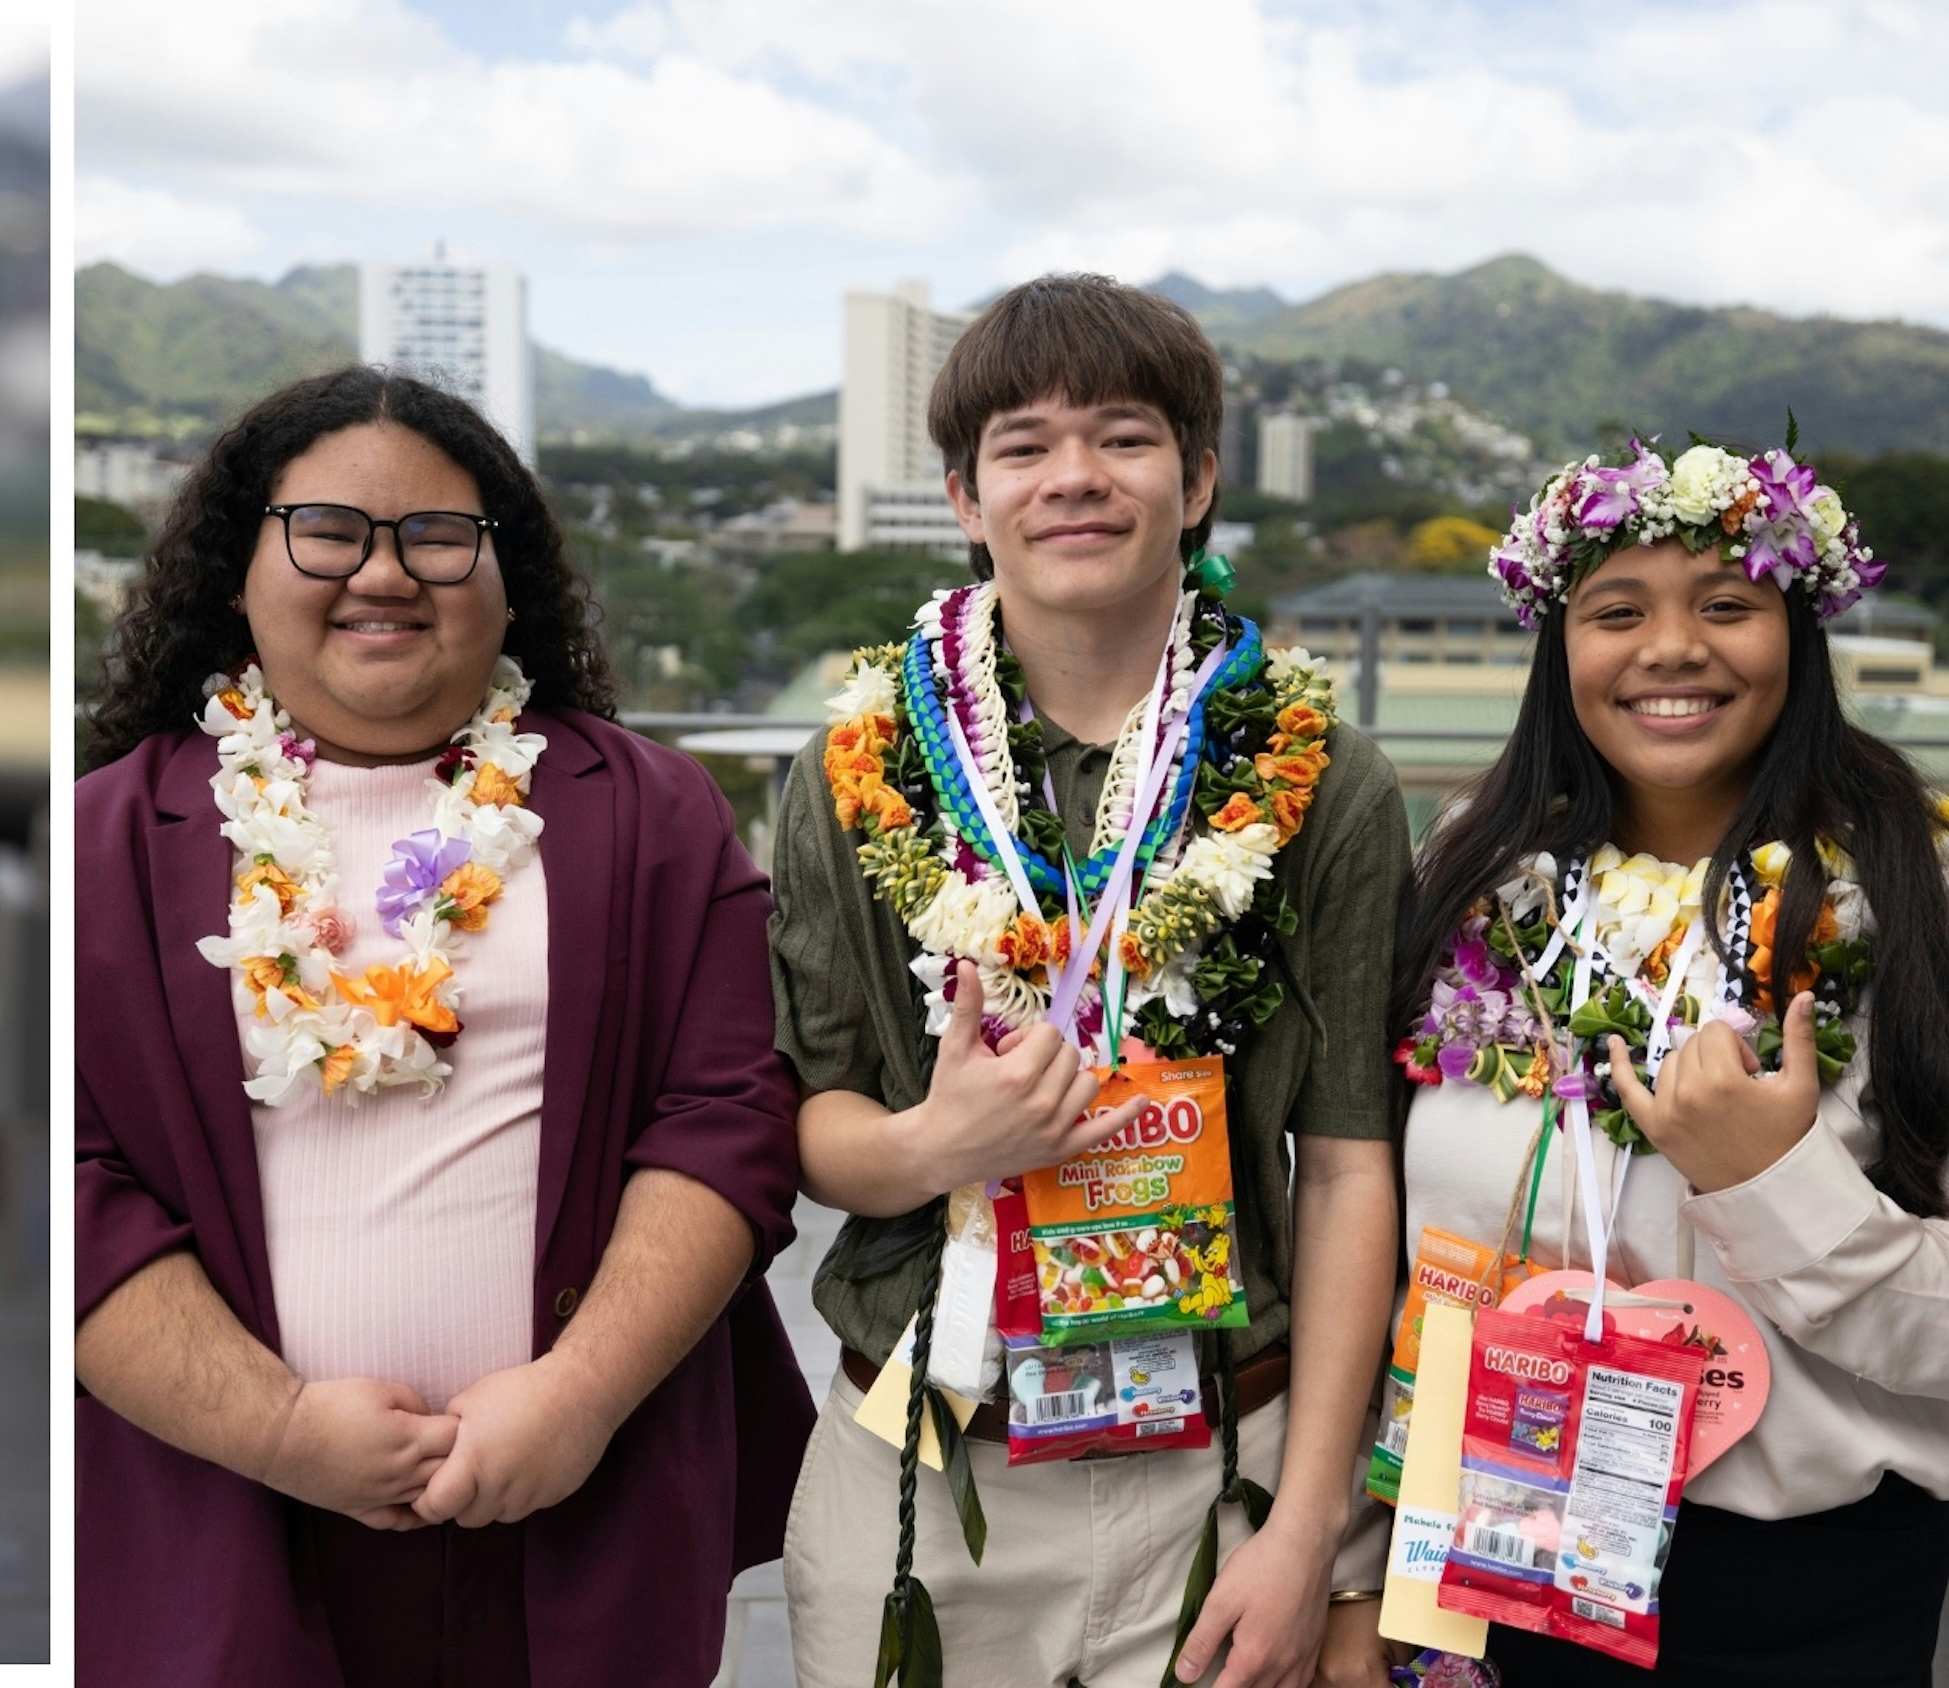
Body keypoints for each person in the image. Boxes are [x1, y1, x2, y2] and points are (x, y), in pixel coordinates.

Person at [74, 366, 813, 1686]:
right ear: (236, 572)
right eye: (327, 531)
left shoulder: (649, 814)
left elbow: (725, 1121)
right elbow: (73, 1187)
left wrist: (575, 1398)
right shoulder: (109, 842)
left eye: (437, 534)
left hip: (577, 1498)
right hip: (226, 1510)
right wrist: (283, 1427)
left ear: (505, 572)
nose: (383, 571)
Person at [770, 274, 1405, 1688]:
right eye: (1023, 445)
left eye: (1122, 437)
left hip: (1230, 1467)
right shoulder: (852, 770)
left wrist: (1309, 1533)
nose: (1075, 478)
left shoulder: (1321, 778)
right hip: (924, 1467)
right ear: (961, 493)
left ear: (1197, 479)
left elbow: (1354, 1162)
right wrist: (937, 1144)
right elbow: (815, 1128)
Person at [1387, 436, 1949, 1683]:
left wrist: (1778, 1188)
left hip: (1808, 1595)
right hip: (1490, 1551)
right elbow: (1377, 1241)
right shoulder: (1470, 884)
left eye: (1729, 604)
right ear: (1559, 646)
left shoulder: (1917, 894)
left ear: (1799, 635)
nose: (1672, 648)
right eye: (1617, 610)